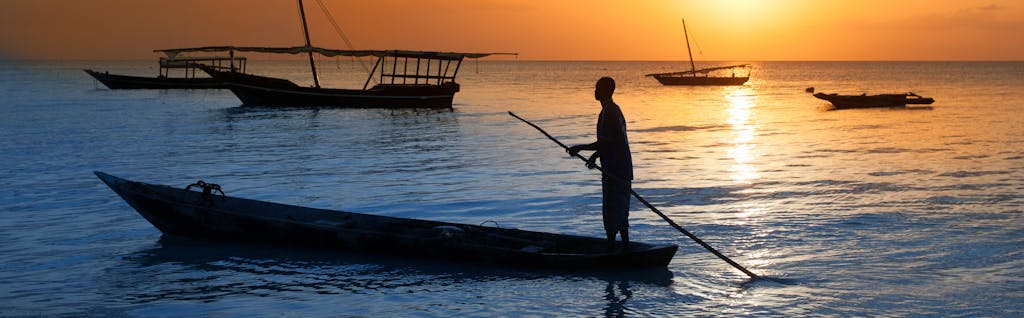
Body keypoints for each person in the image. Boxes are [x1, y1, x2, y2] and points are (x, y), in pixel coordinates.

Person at [567, 77, 633, 252]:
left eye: (597, 88)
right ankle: (625, 249)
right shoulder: (611, 111)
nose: (594, 91)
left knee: (613, 211)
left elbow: (607, 143)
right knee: (621, 210)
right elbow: (610, 142)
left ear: (606, 91)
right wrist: (595, 156)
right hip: (620, 169)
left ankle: (613, 251)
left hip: (616, 172)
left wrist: (580, 148)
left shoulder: (610, 113)